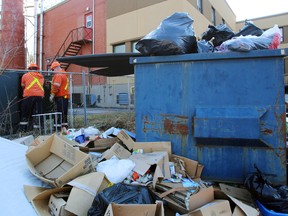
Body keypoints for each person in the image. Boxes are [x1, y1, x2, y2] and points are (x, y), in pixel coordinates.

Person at [20, 63, 44, 132]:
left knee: (25, 112)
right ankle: (36, 130)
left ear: (29, 69)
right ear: (37, 69)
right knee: (37, 113)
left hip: (28, 95)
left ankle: (23, 130)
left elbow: (22, 85)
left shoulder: (25, 75)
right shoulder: (41, 76)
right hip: (39, 96)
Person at [49, 61, 70, 130]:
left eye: (52, 69)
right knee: (64, 113)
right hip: (65, 96)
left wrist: (52, 95)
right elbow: (61, 84)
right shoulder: (64, 74)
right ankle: (64, 127)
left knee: (58, 112)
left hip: (60, 96)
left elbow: (56, 86)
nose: (53, 72)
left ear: (56, 68)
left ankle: (57, 128)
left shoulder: (58, 75)